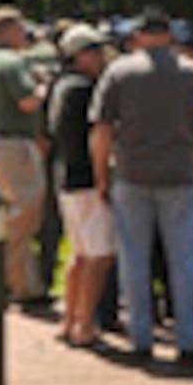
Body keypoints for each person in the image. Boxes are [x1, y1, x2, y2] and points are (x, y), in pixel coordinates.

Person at [90, 8, 193, 366]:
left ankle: (141, 337)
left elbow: (102, 130)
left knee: (133, 257)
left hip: (132, 173)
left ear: (139, 36)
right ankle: (189, 338)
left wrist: (101, 176)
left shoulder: (119, 72)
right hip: (179, 174)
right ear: (169, 35)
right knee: (184, 259)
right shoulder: (191, 74)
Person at [0, 7, 50, 306]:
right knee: (24, 214)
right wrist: (45, 86)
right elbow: (29, 102)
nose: (25, 34)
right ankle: (11, 281)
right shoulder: (11, 61)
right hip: (14, 145)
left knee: (15, 213)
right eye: (20, 28)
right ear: (7, 31)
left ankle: (26, 283)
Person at [48, 23, 113, 346]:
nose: (101, 57)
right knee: (99, 256)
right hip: (86, 178)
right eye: (95, 51)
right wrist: (104, 178)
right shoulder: (84, 90)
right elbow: (95, 136)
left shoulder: (61, 86)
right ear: (79, 55)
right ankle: (85, 324)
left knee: (81, 254)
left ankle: (69, 318)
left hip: (66, 178)